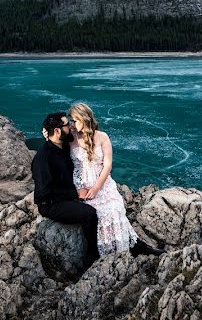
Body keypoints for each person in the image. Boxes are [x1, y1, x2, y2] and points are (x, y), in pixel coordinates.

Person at [67, 102, 164, 258]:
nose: (72, 124)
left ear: (84, 119)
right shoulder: (70, 139)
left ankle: (132, 246)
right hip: (81, 186)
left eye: (74, 120)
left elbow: (108, 165)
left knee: (114, 208)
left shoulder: (102, 136)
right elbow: (53, 146)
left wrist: (97, 187)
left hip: (102, 184)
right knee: (97, 214)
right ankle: (104, 253)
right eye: (70, 121)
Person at [31, 111, 100, 268]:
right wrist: (75, 194)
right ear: (57, 131)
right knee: (89, 214)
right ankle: (92, 257)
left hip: (65, 195)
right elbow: (43, 194)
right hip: (51, 204)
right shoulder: (43, 158)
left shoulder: (61, 145)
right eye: (67, 125)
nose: (70, 127)